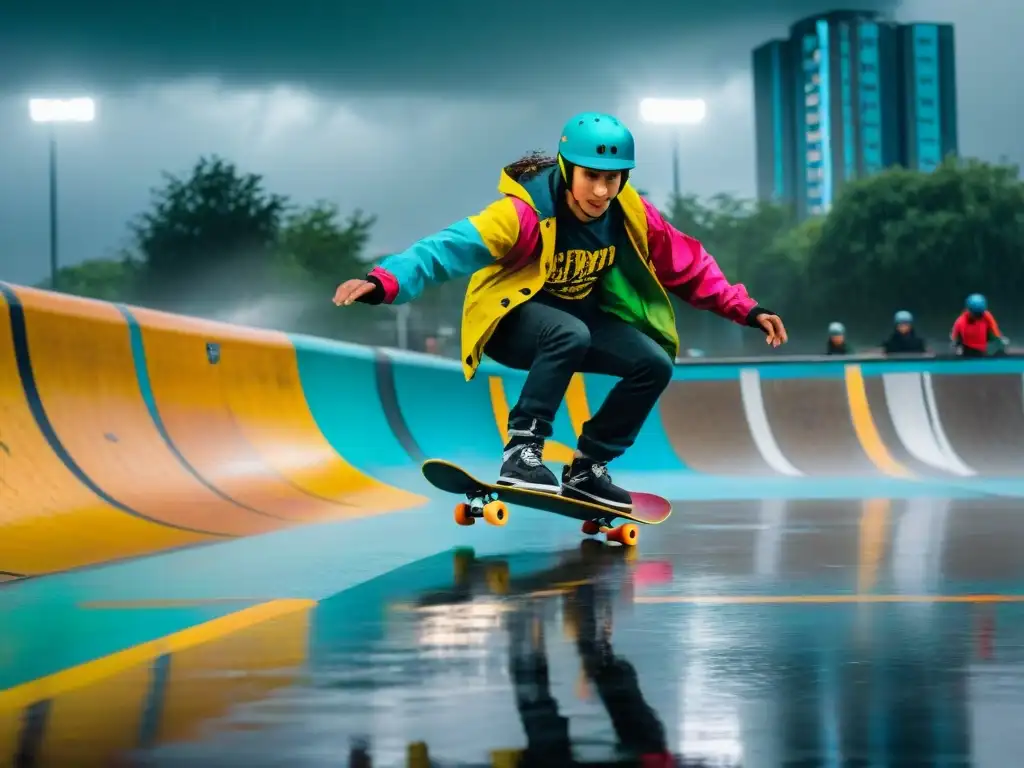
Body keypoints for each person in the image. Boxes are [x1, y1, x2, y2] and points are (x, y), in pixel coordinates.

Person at [333, 111, 788, 508]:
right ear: (569, 170)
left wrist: (746, 309)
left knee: (652, 363)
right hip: (511, 322)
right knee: (569, 332)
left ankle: (588, 468)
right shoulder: (523, 212)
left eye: (612, 179)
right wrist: (385, 282)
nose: (601, 191)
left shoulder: (631, 215)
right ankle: (523, 450)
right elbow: (446, 248)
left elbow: (688, 265)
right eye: (591, 176)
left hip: (577, 322)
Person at [950, 293, 1008, 357]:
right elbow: (954, 337)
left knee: (1002, 341)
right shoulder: (961, 322)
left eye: (980, 313)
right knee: (957, 347)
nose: (978, 317)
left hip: (984, 345)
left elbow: (995, 330)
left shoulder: (986, 315)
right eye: (976, 314)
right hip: (968, 347)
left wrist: (999, 341)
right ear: (969, 310)